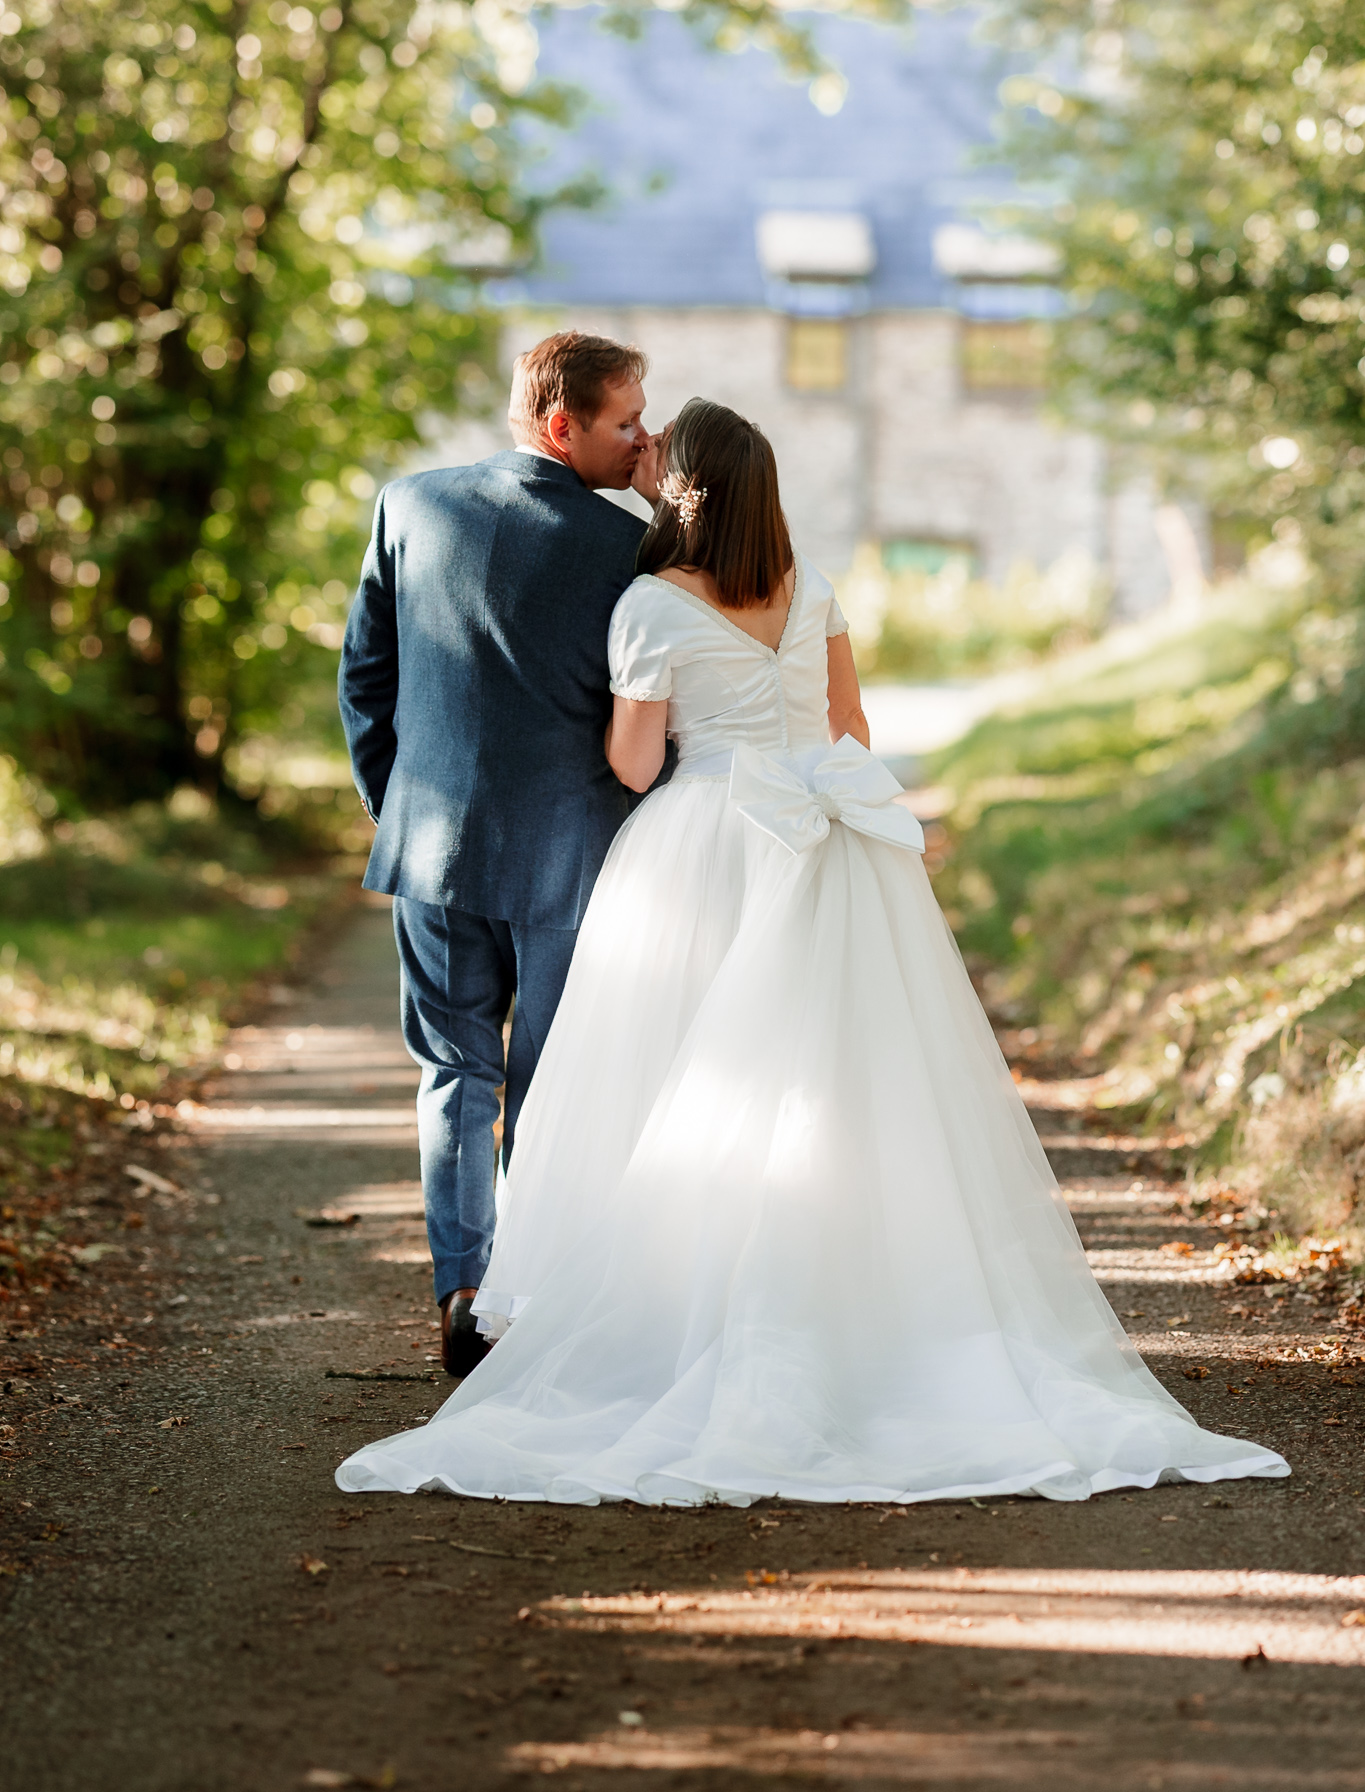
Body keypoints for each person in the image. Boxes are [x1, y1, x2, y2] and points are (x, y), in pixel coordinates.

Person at [337, 399, 1288, 1506]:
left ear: (681, 487)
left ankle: (674, 1305)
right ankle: (851, 1308)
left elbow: (637, 765)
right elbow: (853, 733)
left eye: (658, 451)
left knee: (680, 1080)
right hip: (827, 843)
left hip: (702, 844)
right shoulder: (813, 587)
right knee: (835, 1081)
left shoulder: (649, 602)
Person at [337, 331, 660, 1378]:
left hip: (431, 850)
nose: (644, 438)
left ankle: (465, 1288)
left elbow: (364, 682)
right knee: (552, 1081)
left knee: (454, 1075)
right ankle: (533, 1295)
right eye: (626, 421)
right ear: (561, 422)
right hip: (573, 858)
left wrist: (400, 810)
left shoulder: (409, 503)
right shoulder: (634, 552)